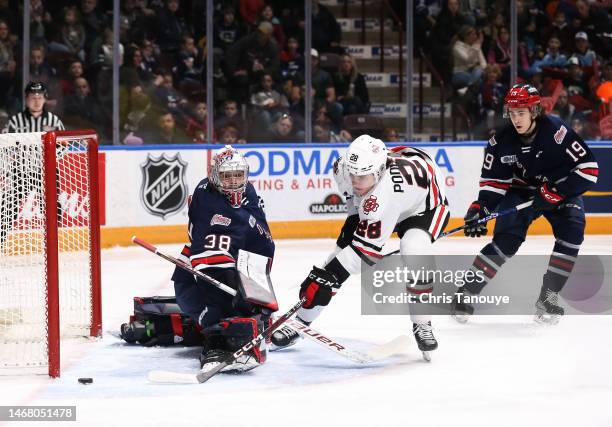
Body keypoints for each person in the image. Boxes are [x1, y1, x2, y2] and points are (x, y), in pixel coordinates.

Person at [271, 135, 450, 358]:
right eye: (352, 173)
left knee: (414, 249)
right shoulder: (343, 168)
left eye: (362, 176)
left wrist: (330, 274)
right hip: (400, 177)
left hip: (425, 206)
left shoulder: (386, 196)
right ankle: (301, 322)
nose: (355, 180)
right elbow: (355, 206)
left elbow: (365, 255)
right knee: (335, 260)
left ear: (378, 173)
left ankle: (422, 323)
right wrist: (331, 268)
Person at [452, 84, 598, 324]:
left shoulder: (557, 132)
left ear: (535, 111)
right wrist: (482, 208)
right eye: (512, 113)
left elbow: (589, 169)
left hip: (559, 190)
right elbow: (493, 183)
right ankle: (467, 291)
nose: (515, 118)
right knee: (505, 241)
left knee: (572, 234)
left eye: (521, 112)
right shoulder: (500, 142)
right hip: (521, 192)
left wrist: (557, 191)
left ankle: (548, 297)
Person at [173, 145, 275, 372]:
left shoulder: (248, 192)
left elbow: (261, 243)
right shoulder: (206, 198)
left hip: (228, 267)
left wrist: (259, 297)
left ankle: (249, 320)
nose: (232, 181)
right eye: (226, 176)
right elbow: (207, 260)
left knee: (253, 307)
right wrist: (236, 291)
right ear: (215, 176)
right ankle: (215, 343)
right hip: (194, 278)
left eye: (238, 175)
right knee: (220, 312)